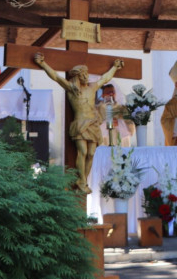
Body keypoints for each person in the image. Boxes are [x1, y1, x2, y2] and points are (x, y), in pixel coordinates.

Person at [33, 52, 123, 193]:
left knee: (91, 153)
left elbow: (105, 78)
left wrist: (115, 67)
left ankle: (83, 180)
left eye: (86, 74)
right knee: (83, 151)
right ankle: (82, 180)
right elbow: (56, 77)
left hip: (92, 123)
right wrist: (42, 63)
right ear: (77, 77)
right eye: (83, 75)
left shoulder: (92, 87)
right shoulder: (72, 89)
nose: (86, 77)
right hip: (80, 124)